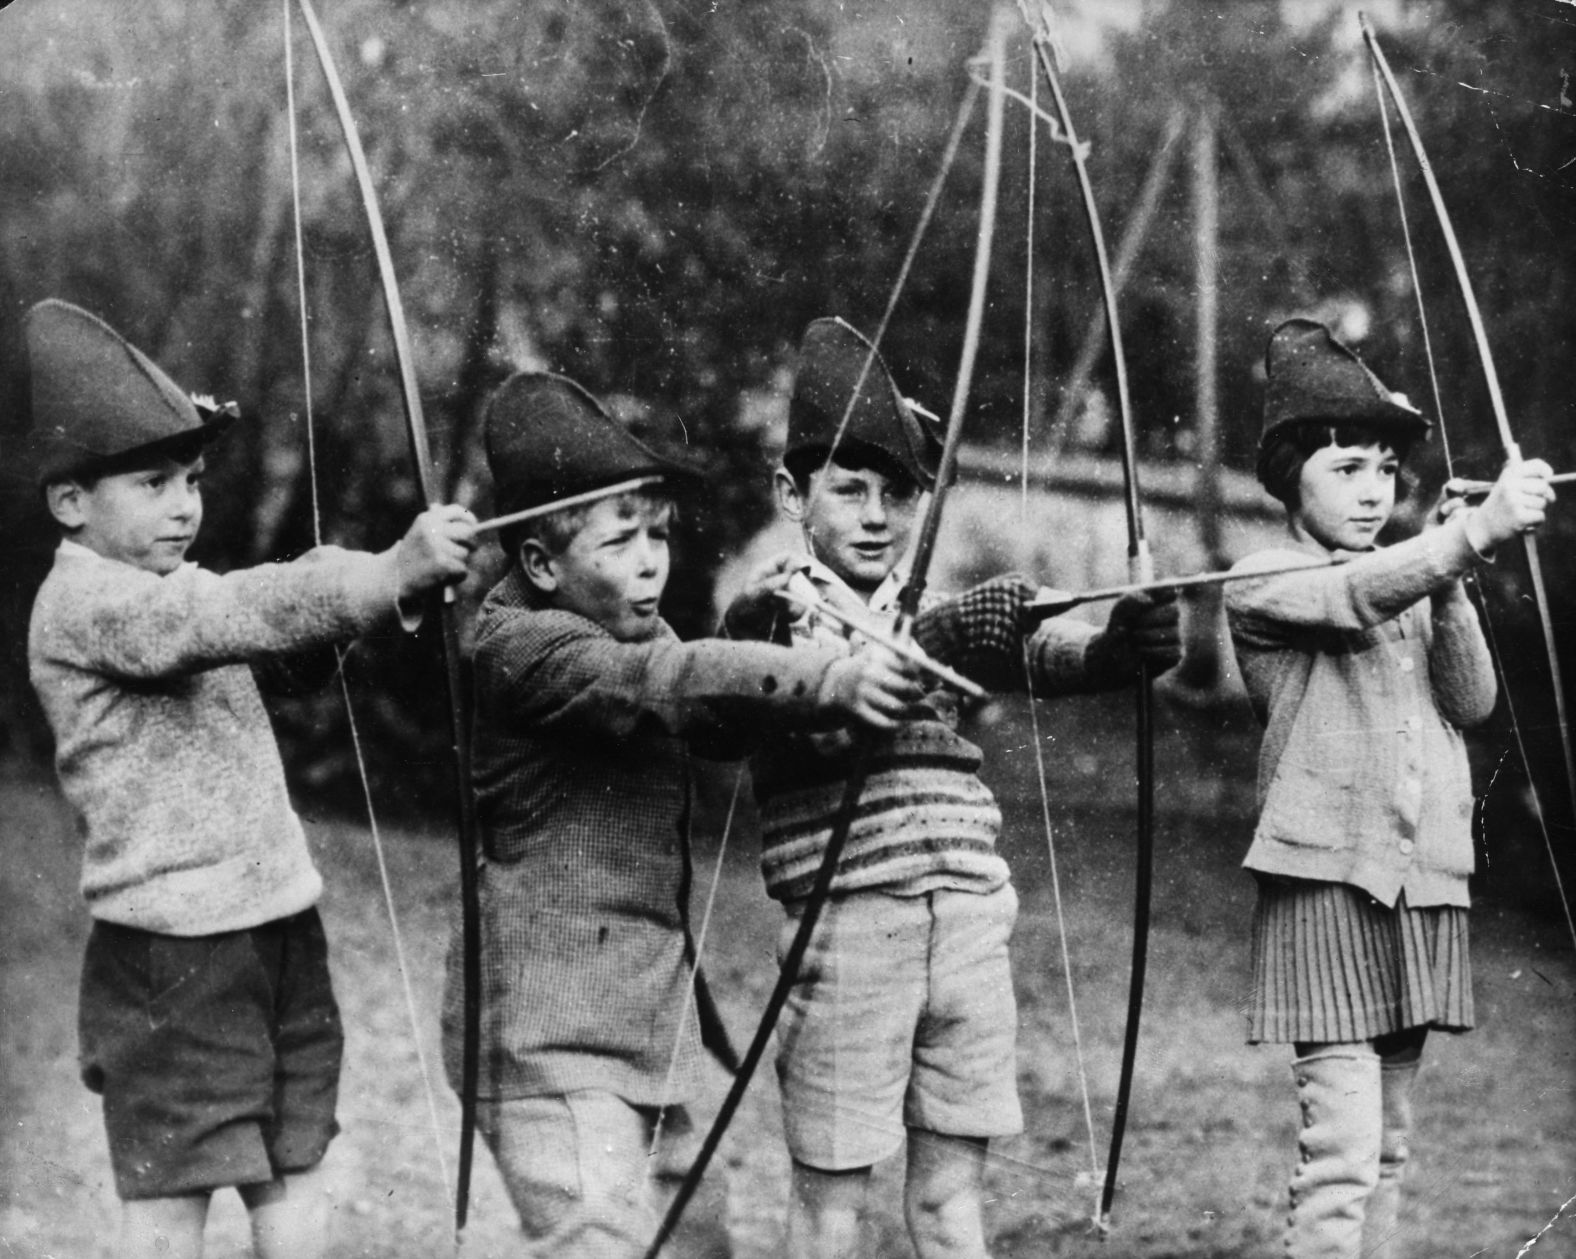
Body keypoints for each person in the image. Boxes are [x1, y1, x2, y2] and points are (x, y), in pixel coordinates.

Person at [23, 299, 478, 1259]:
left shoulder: (169, 591)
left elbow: (271, 651)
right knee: (174, 1187)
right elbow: (230, 615)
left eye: (190, 478)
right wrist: (383, 570)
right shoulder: (85, 602)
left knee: (295, 1156)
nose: (186, 504)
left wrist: (374, 597)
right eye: (153, 483)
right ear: (71, 502)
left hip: (277, 921)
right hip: (173, 950)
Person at [722, 317, 1181, 1259]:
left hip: (969, 917)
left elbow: (1043, 656)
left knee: (950, 1198)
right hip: (849, 924)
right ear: (790, 493)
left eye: (899, 493)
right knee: (832, 1200)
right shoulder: (772, 610)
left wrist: (1120, 651)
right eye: (848, 490)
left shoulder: (927, 603)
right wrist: (940, 641)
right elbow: (817, 701)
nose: (877, 515)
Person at [436, 370, 923, 1258]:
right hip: (547, 1038)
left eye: (658, 536)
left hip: (642, 1030)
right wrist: (834, 681)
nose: (653, 561)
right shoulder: (518, 646)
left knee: (697, 1240)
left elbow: (711, 713)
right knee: (602, 1243)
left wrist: (759, 630)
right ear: (541, 564)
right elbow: (669, 685)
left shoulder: (638, 631)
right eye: (622, 542)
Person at [1223, 318, 1554, 1259]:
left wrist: (1454, 570)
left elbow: (1472, 698)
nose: (1373, 491)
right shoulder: (1264, 579)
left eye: (1383, 471)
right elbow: (1351, 597)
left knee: (1391, 1148)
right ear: (1293, 477)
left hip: (1420, 892)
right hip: (1326, 892)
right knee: (1343, 1152)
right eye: (1345, 470)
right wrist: (1462, 539)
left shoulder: (1409, 578)